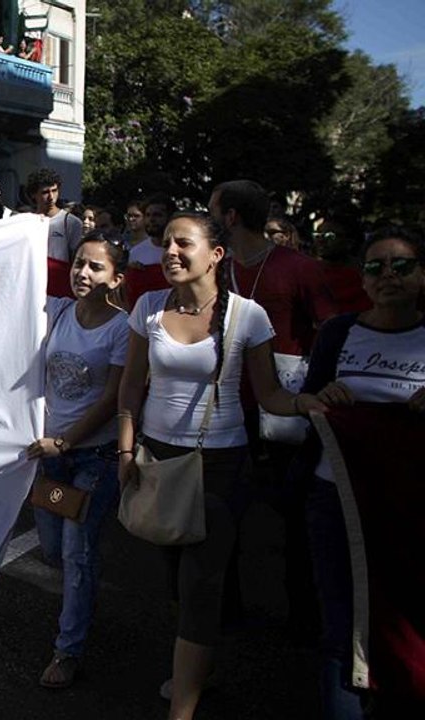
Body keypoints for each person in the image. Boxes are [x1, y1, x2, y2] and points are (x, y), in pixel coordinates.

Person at [117, 212, 324, 720]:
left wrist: (307, 403)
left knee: (200, 584)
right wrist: (125, 451)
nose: (170, 251)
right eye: (166, 243)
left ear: (215, 255)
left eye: (183, 243)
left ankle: (182, 709)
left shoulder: (247, 315)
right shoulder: (148, 306)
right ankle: (199, 665)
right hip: (157, 459)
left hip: (221, 465)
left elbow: (269, 394)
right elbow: (131, 386)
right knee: (173, 579)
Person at [297, 228, 424, 719]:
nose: (388, 275)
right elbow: (305, 399)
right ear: (363, 280)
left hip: (413, 504)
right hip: (337, 499)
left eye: (401, 265)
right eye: (375, 267)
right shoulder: (338, 332)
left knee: (408, 620)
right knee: (342, 626)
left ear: (422, 276)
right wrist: (319, 399)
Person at [211, 180, 335, 638]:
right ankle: (225, 612)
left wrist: (315, 391)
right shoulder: (219, 268)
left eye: (212, 210)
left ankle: (305, 617)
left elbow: (328, 331)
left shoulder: (299, 268)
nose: (208, 218)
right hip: (228, 406)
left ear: (230, 217)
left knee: (295, 519)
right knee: (223, 515)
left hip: (286, 408)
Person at [30, 231, 131, 689]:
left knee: (77, 554)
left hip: (93, 459)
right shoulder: (57, 311)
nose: (82, 273)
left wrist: (67, 441)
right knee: (53, 550)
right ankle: (85, 599)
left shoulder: (123, 329)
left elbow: (112, 398)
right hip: (52, 461)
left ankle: (67, 650)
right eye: (78, 263)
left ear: (116, 279)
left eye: (95, 267)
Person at [312, 217, 373, 315]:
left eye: (330, 236)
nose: (321, 241)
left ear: (349, 242)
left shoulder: (367, 277)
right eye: (318, 235)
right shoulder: (306, 273)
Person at [26, 169, 82, 262]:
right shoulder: (27, 222)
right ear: (33, 194)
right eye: (45, 192)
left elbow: (77, 259)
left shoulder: (72, 223)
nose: (51, 197)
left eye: (54, 190)